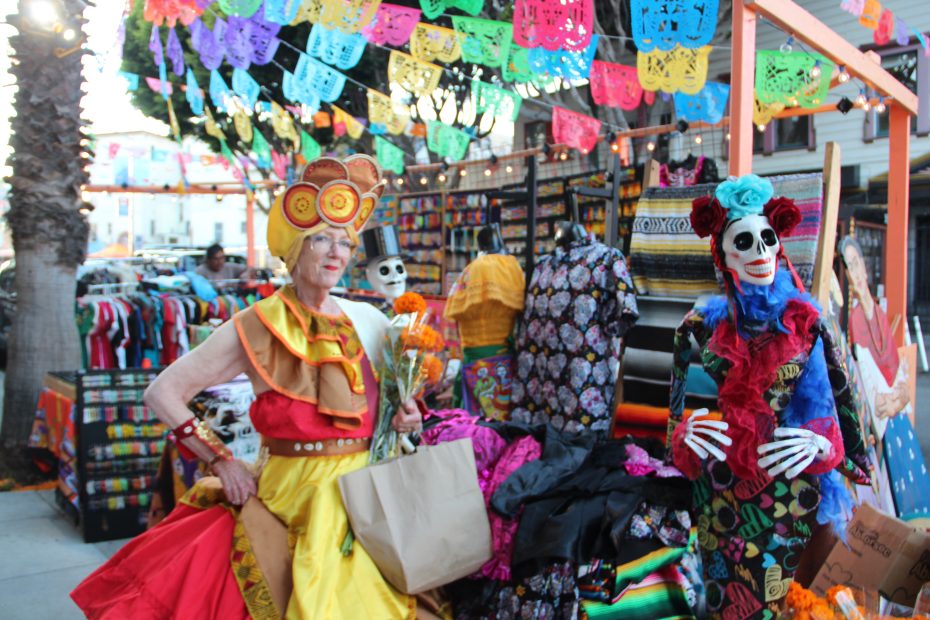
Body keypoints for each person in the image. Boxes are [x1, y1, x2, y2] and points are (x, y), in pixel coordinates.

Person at [71, 155, 424, 619]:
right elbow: (162, 393)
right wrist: (221, 459)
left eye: (345, 242)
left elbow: (396, 416)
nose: (337, 253)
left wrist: (408, 420)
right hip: (288, 502)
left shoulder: (372, 320)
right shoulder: (257, 324)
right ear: (296, 247)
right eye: (322, 239)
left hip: (366, 501)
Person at [666, 175, 870, 618]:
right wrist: (685, 434)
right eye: (745, 241)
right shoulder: (698, 328)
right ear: (723, 255)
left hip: (786, 489)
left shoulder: (808, 325)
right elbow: (673, 426)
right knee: (723, 603)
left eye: (767, 239)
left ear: (778, 245)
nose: (759, 252)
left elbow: (843, 414)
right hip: (721, 491)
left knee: (781, 603)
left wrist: (820, 443)